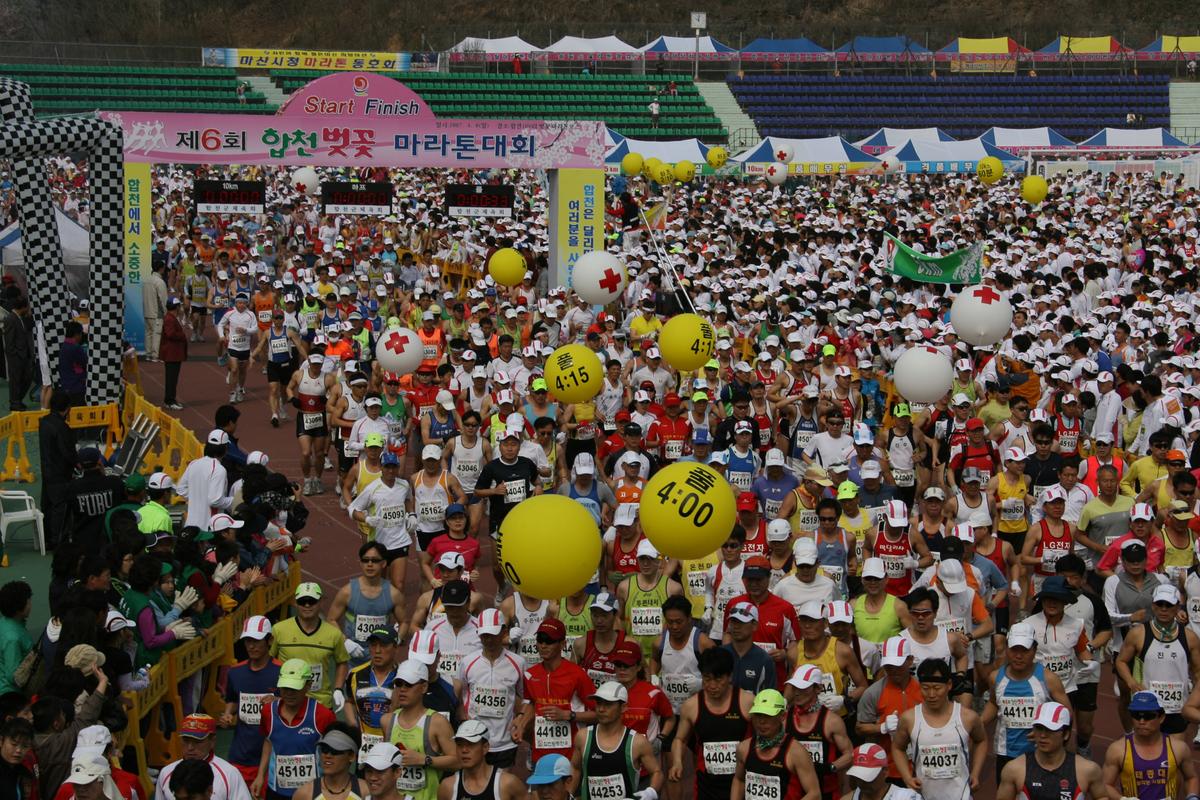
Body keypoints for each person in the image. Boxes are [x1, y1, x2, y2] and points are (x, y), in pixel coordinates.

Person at [981, 622, 1071, 780]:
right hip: (1005, 752)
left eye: (1024, 650)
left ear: (1034, 650)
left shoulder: (1049, 679)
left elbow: (1066, 713)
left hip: (1039, 753)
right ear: (1007, 649)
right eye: (1014, 649)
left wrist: (1050, 737)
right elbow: (994, 703)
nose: (1018, 656)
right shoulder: (995, 678)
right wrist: (979, 722)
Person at [888, 658, 987, 799]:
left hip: (961, 795)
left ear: (949, 685)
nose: (931, 695)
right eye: (925, 688)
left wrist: (976, 773)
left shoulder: (967, 717)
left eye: (936, 688)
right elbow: (897, 747)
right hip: (924, 795)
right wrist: (907, 777)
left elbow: (981, 740)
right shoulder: (909, 719)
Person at [1114, 584, 1200, 735]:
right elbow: (1121, 661)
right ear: (1153, 606)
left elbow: (1198, 671)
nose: (1164, 609)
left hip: (1176, 706)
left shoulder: (1190, 637)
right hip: (1146, 706)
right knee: (1146, 747)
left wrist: (1194, 701)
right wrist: (1131, 682)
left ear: (1177, 607)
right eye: (1160, 604)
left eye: (1169, 605)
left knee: (1175, 748)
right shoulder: (1138, 634)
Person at [669, 647, 752, 800]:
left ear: (730, 676)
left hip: (743, 781)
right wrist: (677, 761)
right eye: (707, 679)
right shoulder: (691, 706)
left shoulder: (747, 702)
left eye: (718, 679)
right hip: (706, 785)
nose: (712, 685)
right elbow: (680, 739)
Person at [251, 659, 335, 800]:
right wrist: (260, 776)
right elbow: (269, 741)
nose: (289, 693)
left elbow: (335, 752)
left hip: (313, 792)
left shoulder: (323, 715)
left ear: (308, 685)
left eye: (295, 688)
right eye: (285, 688)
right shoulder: (268, 712)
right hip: (276, 791)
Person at [517, 618, 597, 766]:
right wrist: (520, 724)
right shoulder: (530, 674)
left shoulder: (577, 674)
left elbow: (600, 714)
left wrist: (570, 715)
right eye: (540, 640)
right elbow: (531, 704)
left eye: (549, 641)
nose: (543, 645)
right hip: (540, 757)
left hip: (570, 757)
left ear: (562, 644)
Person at [455, 609, 525, 769]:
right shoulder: (467, 663)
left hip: (505, 743)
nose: (488, 640)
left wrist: (520, 719)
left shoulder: (518, 663)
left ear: (504, 632)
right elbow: (461, 694)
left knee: (502, 784)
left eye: (493, 634)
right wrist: (463, 715)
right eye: (484, 635)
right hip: (474, 741)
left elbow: (525, 697)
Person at [995, 702, 1109, 800]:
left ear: (1066, 734)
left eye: (1050, 730)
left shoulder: (1087, 770)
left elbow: (1102, 796)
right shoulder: (1014, 769)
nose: (1043, 735)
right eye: (1039, 728)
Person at [569, 681, 663, 800]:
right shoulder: (583, 737)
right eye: (598, 703)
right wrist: (569, 794)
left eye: (608, 704)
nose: (601, 709)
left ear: (623, 707)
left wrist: (650, 792)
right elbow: (575, 768)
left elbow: (656, 772)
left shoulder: (637, 742)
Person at [379, 659, 457, 800]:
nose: (402, 689)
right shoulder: (387, 721)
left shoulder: (437, 722)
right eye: (398, 684)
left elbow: (457, 761)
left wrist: (425, 759)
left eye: (409, 684)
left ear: (424, 687)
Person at [1102, 691, 1199, 800]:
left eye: (1148, 716)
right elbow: (1105, 785)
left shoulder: (1178, 748)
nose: (1141, 721)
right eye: (1136, 715)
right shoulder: (1118, 750)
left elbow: (1191, 778)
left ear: (1161, 718)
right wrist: (1122, 799)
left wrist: (1192, 797)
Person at [220, 616, 282, 787]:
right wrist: (227, 713)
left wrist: (278, 701)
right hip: (241, 755)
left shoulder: (282, 671)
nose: (251, 646)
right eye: (248, 641)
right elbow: (232, 699)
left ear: (269, 640)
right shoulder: (235, 672)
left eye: (256, 640)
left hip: (274, 757)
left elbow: (297, 705)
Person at [269, 583, 350, 710]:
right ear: (296, 603)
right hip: (287, 703)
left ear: (320, 602)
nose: (307, 605)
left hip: (320, 705)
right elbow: (269, 662)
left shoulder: (334, 634)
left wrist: (338, 689)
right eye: (302, 601)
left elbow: (342, 662)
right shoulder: (279, 630)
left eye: (312, 601)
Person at [730, 689, 821, 800]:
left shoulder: (796, 753)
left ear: (782, 716)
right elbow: (739, 780)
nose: (761, 721)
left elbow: (814, 794)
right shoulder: (744, 748)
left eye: (768, 715)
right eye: (758, 715)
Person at [325, 542, 406, 665]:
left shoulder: (394, 594)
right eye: (365, 560)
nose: (369, 564)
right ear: (360, 563)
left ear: (384, 563)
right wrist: (345, 642)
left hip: (381, 659)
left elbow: (404, 622)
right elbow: (331, 619)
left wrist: (396, 641)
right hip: (352, 658)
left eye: (375, 560)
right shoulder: (347, 592)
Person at [154, 714, 251, 800]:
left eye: (197, 741)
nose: (190, 747)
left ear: (212, 741)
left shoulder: (230, 774)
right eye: (186, 740)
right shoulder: (166, 773)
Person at [436, 720, 525, 800]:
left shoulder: (508, 784)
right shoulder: (447, 787)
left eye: (470, 744)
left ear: (485, 747)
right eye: (459, 745)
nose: (464, 750)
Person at [38, 390, 78, 550]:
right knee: (60, 509)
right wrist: (78, 463)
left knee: (47, 507)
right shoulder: (62, 428)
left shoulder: (44, 422)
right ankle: (57, 541)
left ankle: (46, 538)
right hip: (60, 475)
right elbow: (68, 453)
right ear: (67, 408)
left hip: (47, 472)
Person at [287, 726, 362, 800]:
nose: (328, 755)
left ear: (351, 756)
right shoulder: (304, 793)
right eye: (324, 750)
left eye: (334, 751)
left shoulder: (364, 791)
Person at [841, 742, 922, 800]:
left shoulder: (906, 797)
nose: (863, 782)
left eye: (868, 776)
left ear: (885, 772)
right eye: (859, 776)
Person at [0, 582, 33, 695]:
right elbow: (13, 676)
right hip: (9, 694)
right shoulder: (13, 638)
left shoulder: (4, 622)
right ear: (19, 609)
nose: (30, 604)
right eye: (28, 601)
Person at [160, 297, 188, 410]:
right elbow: (170, 334)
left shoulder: (171, 318)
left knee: (172, 378)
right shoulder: (170, 319)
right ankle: (170, 401)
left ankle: (171, 399)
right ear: (176, 307)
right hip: (172, 354)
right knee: (171, 378)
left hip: (173, 353)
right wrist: (182, 335)